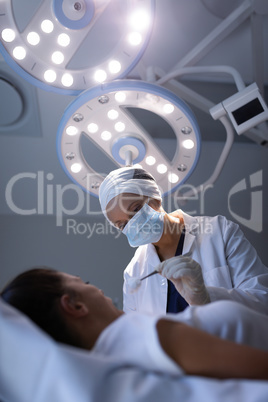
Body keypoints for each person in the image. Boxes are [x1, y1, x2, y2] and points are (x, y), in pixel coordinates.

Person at [1, 267, 268, 381]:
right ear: (74, 305)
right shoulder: (137, 338)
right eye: (84, 284)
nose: (99, 290)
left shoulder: (108, 368)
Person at [99, 165, 268, 315]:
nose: (132, 225)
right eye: (122, 225)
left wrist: (208, 297)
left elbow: (262, 300)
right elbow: (137, 336)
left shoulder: (220, 232)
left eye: (135, 210)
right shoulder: (134, 271)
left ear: (154, 197)